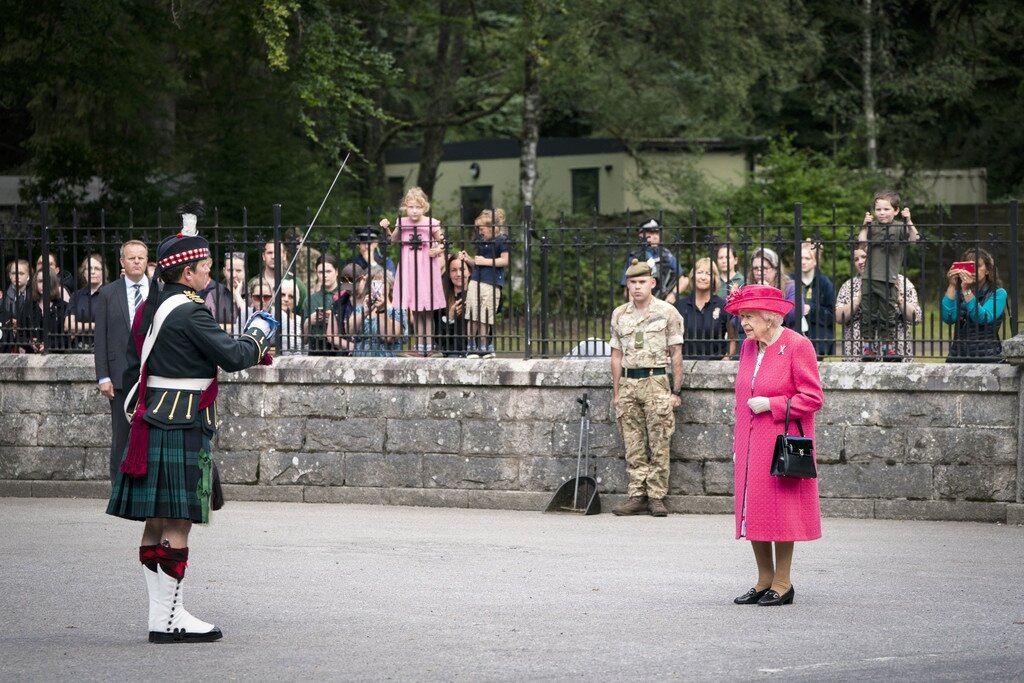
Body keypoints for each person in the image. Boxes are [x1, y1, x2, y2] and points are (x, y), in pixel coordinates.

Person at [106, 203, 277, 644]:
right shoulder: (191, 311)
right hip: (182, 424)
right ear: (186, 273)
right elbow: (236, 357)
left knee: (157, 521)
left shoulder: (153, 307)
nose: (209, 273)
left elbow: (138, 367)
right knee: (178, 521)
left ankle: (160, 615)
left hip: (150, 420)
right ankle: (170, 618)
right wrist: (259, 332)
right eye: (204, 267)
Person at [725, 284, 823, 607]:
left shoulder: (797, 345)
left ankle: (783, 582)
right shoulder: (748, 348)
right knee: (751, 511)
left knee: (781, 512)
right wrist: (739, 442)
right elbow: (742, 397)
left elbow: (813, 398)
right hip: (751, 443)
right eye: (742, 317)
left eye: (749, 316)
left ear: (770, 317)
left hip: (779, 442)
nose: (744, 323)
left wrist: (772, 404)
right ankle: (763, 579)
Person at [609, 258, 684, 517]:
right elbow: (616, 355)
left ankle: (656, 495)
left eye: (642, 282)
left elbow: (676, 353)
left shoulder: (667, 312)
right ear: (627, 285)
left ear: (652, 283)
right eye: (633, 282)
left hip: (656, 381)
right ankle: (636, 494)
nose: (637, 287)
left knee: (660, 439)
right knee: (632, 441)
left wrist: (676, 391)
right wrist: (617, 392)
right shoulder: (619, 314)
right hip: (629, 382)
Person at [94, 239, 150, 482]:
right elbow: (101, 338)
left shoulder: (159, 290)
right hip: (118, 376)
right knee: (121, 435)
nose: (136, 261)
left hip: (152, 373)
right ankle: (117, 487)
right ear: (122, 262)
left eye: (141, 257)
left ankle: (147, 485)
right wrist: (103, 376)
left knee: (149, 432)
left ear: (147, 261)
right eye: (131, 257)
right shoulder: (108, 293)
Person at [379, 187, 446, 356]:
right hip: (409, 267)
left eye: (418, 207)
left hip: (426, 267)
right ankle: (418, 346)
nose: (414, 210)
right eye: (411, 207)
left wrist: (437, 250)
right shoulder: (402, 223)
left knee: (427, 309)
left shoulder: (431, 223)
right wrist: (386, 228)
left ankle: (428, 346)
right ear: (405, 207)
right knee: (415, 309)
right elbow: (391, 240)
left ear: (424, 207)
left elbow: (445, 242)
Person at [857, 190, 920, 359]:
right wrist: (865, 224)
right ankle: (868, 347)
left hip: (889, 279)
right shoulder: (872, 226)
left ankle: (887, 347)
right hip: (869, 277)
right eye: (878, 210)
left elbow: (914, 239)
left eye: (886, 209)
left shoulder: (900, 226)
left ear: (896, 210)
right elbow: (861, 241)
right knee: (868, 314)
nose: (882, 213)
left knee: (888, 314)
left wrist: (909, 220)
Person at [836, 248, 920, 361]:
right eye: (856, 259)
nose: (860, 261)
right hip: (857, 358)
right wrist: (858, 300)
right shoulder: (848, 286)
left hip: (896, 357)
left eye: (864, 257)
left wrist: (899, 299)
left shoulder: (901, 282)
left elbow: (916, 318)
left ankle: (888, 349)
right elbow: (839, 318)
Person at [942, 248, 1007, 363]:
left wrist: (966, 291)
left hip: (987, 357)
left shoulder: (998, 293)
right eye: (969, 266)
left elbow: (983, 318)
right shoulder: (959, 291)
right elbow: (948, 318)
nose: (973, 270)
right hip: (958, 357)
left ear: (987, 270)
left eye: (978, 266)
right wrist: (952, 285)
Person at [460, 208, 509, 359]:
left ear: (492, 228)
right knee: (472, 314)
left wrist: (485, 261)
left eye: (481, 229)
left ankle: (483, 346)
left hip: (492, 283)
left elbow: (505, 260)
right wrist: (468, 260)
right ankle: (470, 346)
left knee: (485, 316)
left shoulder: (502, 240)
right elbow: (478, 264)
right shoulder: (481, 241)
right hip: (476, 280)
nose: (479, 232)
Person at [673, 257, 731, 360]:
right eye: (699, 272)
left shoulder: (723, 306)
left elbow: (733, 338)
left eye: (708, 274)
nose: (703, 277)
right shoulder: (679, 306)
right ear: (693, 276)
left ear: (714, 278)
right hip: (685, 365)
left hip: (716, 366)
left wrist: (726, 358)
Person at [619, 218, 686, 303]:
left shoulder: (666, 255)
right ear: (641, 235)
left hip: (664, 303)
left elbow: (683, 279)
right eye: (650, 233)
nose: (654, 236)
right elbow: (627, 288)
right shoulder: (635, 257)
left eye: (657, 233)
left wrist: (673, 294)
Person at [348, 267, 409, 357]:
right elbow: (350, 331)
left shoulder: (397, 311)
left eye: (382, 283)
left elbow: (389, 337)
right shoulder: (360, 308)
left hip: (387, 363)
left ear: (390, 285)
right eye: (374, 283)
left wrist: (381, 309)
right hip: (360, 361)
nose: (378, 287)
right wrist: (365, 312)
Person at [793, 241, 836, 357]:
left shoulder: (825, 283)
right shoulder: (790, 280)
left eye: (807, 258)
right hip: (793, 338)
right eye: (800, 258)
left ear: (815, 261)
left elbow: (832, 315)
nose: (803, 262)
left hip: (818, 341)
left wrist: (811, 309)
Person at [17, 266, 68, 352]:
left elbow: (67, 337)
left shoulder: (63, 307)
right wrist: (29, 343)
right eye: (40, 281)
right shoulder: (28, 306)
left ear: (53, 283)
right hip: (31, 358)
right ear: (35, 283)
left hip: (56, 359)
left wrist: (50, 345)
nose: (43, 284)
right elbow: (19, 334)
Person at [64, 253, 108, 349]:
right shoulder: (76, 295)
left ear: (103, 272)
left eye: (97, 269)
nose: (92, 272)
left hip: (103, 348)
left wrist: (79, 328)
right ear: (84, 273)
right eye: (89, 269)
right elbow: (68, 326)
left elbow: (110, 326)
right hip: (78, 348)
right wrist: (93, 326)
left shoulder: (110, 293)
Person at [434, 255, 471, 357]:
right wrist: (450, 317)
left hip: (475, 352)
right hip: (452, 353)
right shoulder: (441, 300)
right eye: (453, 270)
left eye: (462, 269)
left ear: (469, 272)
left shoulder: (478, 294)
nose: (458, 274)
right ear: (449, 274)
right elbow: (439, 339)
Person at [199, 252, 247, 330]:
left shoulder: (253, 294)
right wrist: (240, 327)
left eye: (238, 270)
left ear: (245, 271)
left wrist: (237, 296)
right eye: (230, 270)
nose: (234, 275)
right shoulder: (214, 295)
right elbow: (208, 326)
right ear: (224, 271)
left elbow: (253, 321)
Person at [260, 239, 308, 314]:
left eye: (277, 252)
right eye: (269, 253)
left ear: (284, 255)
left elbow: (304, 313)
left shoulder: (297, 284)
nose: (273, 256)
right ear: (263, 256)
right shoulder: (254, 282)